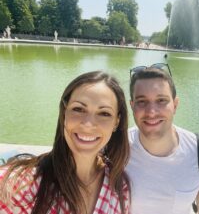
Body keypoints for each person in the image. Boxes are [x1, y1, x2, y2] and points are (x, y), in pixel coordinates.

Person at [0, 71, 131, 214]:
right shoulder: (17, 187)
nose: (88, 124)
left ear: (116, 123)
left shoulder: (119, 187)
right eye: (78, 109)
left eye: (104, 113)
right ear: (64, 113)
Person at [126, 63, 199, 214]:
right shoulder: (116, 149)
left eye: (161, 100)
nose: (151, 112)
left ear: (175, 105)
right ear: (132, 106)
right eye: (142, 101)